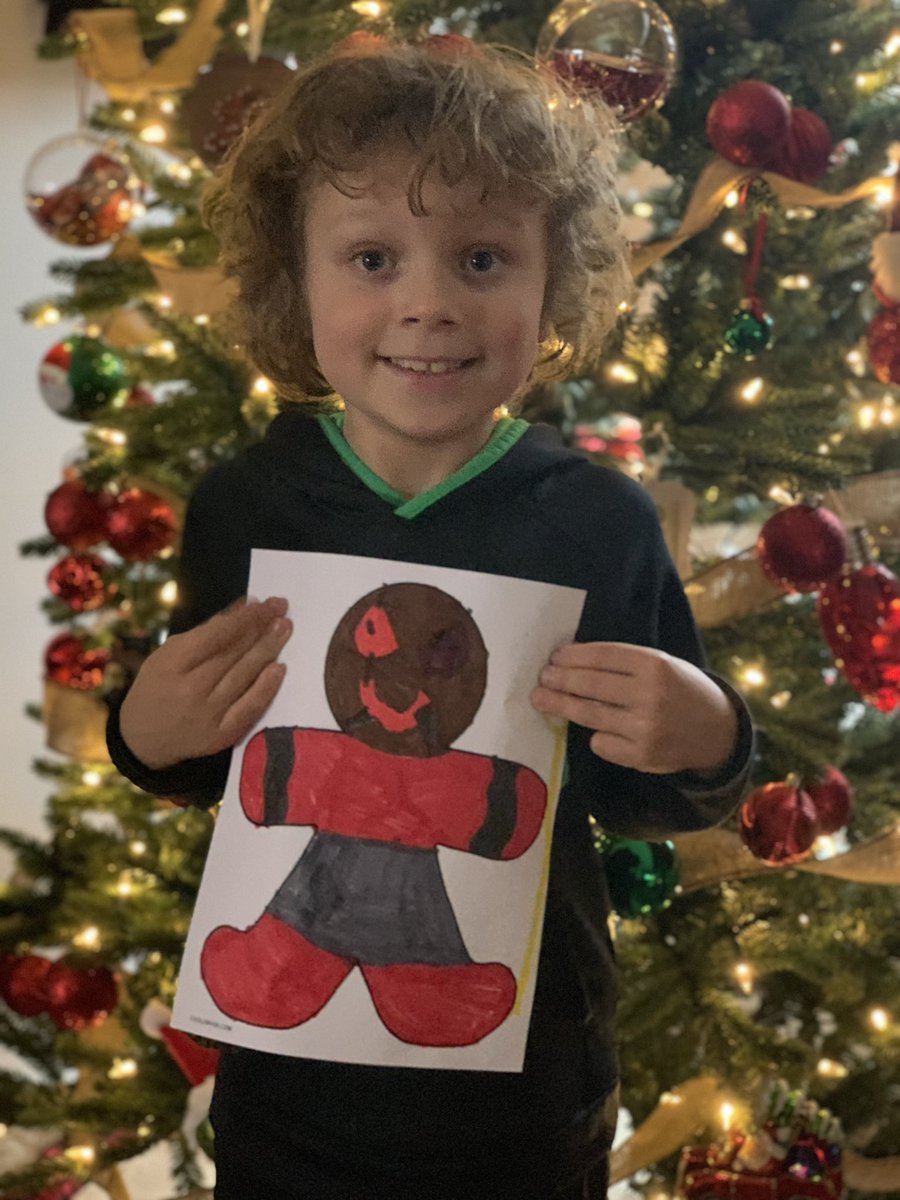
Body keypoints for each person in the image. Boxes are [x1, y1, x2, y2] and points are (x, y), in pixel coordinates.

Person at [106, 35, 753, 1200]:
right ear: (291, 282)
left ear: (552, 282)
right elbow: (211, 768)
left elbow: (649, 797)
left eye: (483, 258)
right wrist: (144, 732)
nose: (428, 304)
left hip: (523, 1093)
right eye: (370, 256)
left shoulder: (597, 521)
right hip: (286, 1095)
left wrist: (706, 736)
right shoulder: (246, 504)